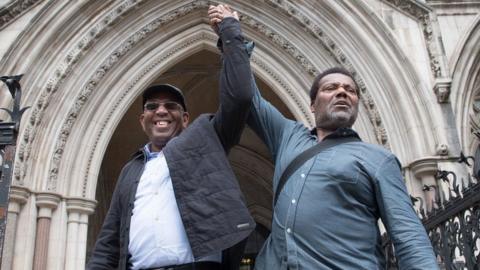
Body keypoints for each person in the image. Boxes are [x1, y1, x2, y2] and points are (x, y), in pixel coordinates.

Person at [209, 8, 439, 270]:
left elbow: (407, 234)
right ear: (312, 105)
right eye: (331, 88)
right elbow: (248, 98)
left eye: (350, 91)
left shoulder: (379, 160)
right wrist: (231, 37)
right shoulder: (288, 136)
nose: (342, 92)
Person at [87, 6, 255, 270]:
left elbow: (240, 98)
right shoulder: (131, 170)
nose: (161, 111)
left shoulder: (206, 139)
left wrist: (230, 35)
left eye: (171, 106)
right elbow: (108, 242)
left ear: (185, 118)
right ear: (143, 120)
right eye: (152, 107)